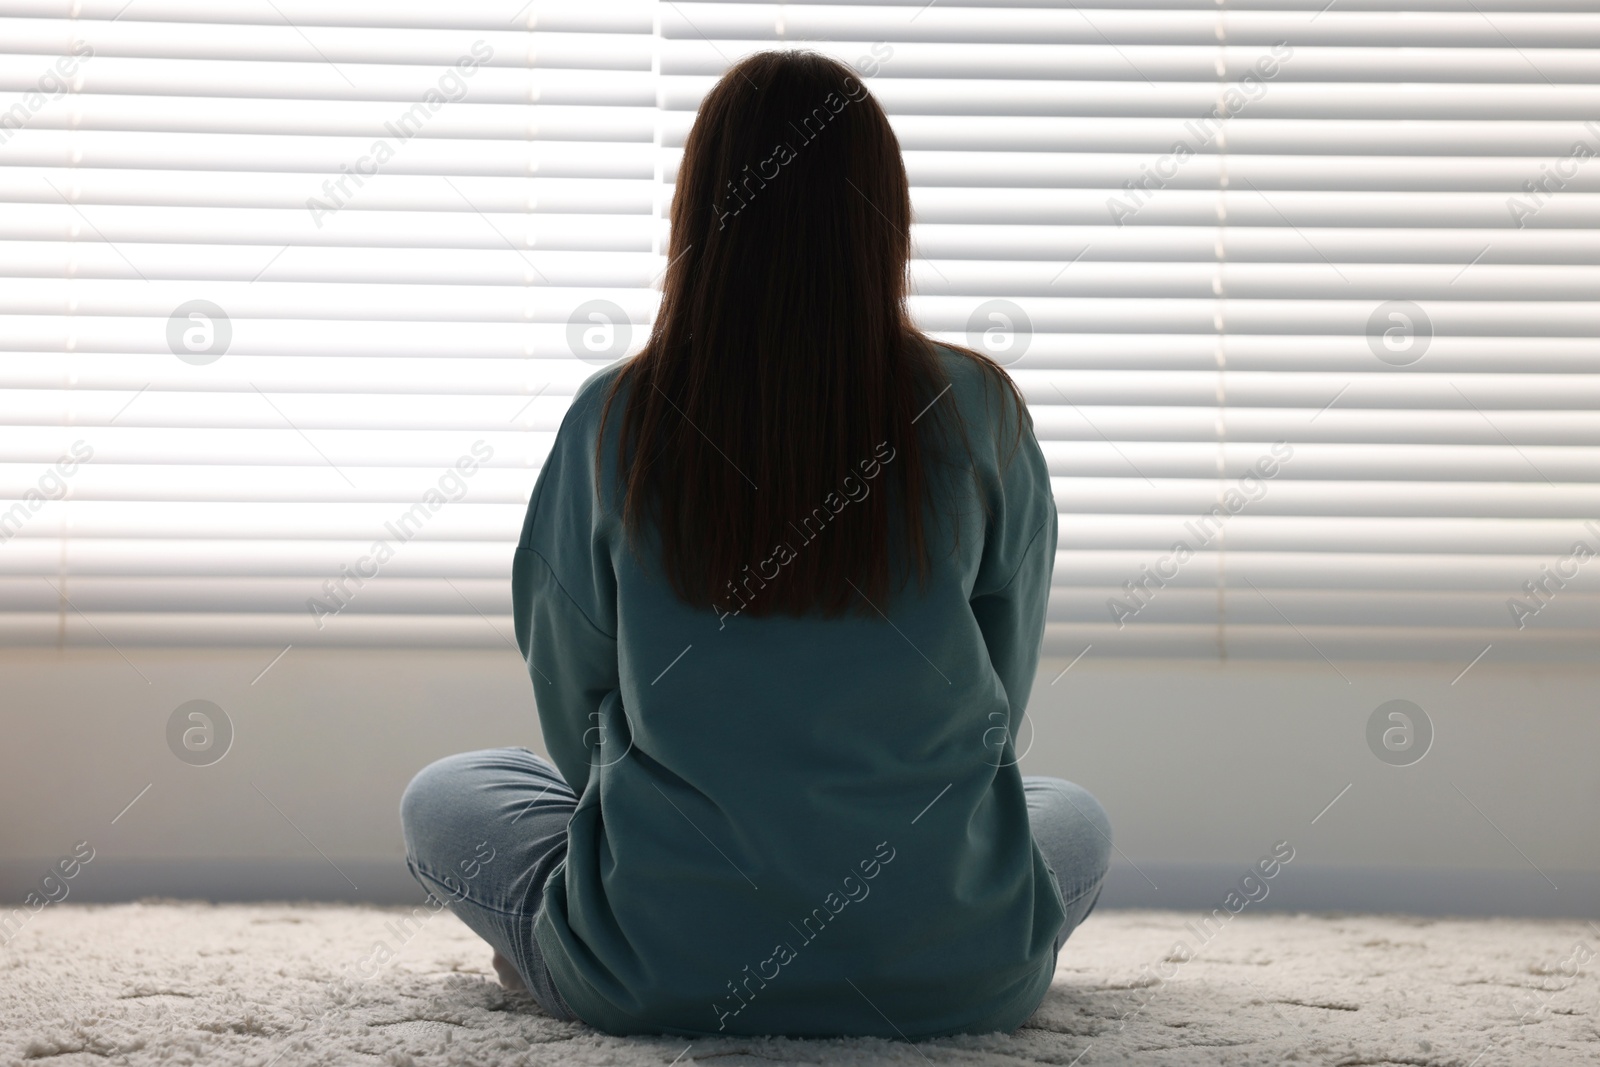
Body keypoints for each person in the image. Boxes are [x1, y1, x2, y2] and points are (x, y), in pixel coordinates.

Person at [400, 49, 1111, 1040]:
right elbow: (1000, 687)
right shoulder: (977, 408)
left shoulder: (614, 418)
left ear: (700, 216)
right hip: (957, 973)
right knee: (1068, 812)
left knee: (448, 792)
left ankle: (558, 952)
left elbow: (573, 694)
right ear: (884, 217)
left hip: (652, 966)